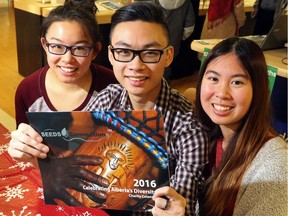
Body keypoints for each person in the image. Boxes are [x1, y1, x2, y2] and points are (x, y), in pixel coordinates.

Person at [8, 2, 208, 215]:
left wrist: (175, 210)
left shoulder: (188, 126)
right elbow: (78, 156)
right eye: (124, 51)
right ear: (111, 55)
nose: (136, 65)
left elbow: (183, 201)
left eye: (150, 53)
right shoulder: (108, 98)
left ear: (168, 56)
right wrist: (35, 154)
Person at [195, 37, 287, 215]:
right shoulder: (206, 137)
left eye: (237, 82)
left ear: (258, 89)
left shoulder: (275, 164)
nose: (222, 93)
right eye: (213, 78)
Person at [14, 0, 117, 126]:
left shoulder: (113, 86)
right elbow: (24, 138)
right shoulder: (27, 90)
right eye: (57, 46)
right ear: (45, 45)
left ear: (95, 51)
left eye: (79, 48)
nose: (67, 59)